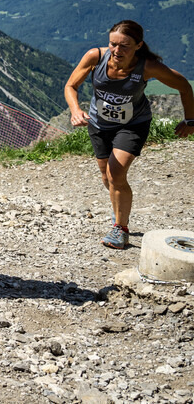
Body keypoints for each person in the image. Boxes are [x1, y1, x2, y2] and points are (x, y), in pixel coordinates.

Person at [64, 20, 194, 249]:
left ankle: (120, 228)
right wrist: (76, 111)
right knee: (106, 177)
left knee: (115, 173)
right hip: (99, 124)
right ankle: (119, 214)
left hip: (133, 124)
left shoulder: (147, 67)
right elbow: (70, 86)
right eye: (113, 44)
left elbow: (184, 86)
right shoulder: (95, 56)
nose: (116, 50)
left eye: (124, 46)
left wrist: (190, 120)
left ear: (138, 46)